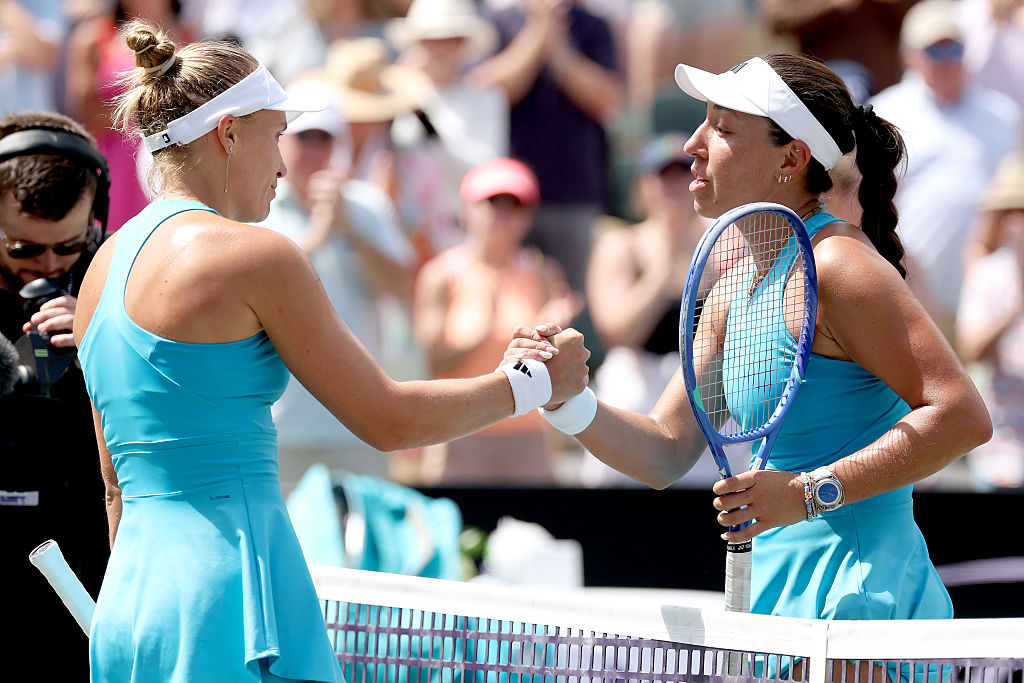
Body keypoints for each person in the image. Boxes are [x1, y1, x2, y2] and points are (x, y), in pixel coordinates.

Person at [72, 21, 588, 682]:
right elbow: (390, 419)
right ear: (228, 133)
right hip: (230, 600)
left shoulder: (100, 267)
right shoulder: (254, 255)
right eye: (276, 134)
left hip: (132, 602)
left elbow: (115, 486)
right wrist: (531, 382)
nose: (284, 164)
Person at [517, 53, 992, 624]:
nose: (693, 144)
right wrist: (569, 402)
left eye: (721, 128)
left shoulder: (839, 266)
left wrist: (811, 493)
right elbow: (665, 451)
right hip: (773, 593)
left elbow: (963, 415)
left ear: (791, 158)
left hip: (861, 594)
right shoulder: (729, 288)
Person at [255, 81, 418, 488]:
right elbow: (261, 287)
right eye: (302, 138)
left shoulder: (367, 205)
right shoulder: (258, 206)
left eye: (323, 139)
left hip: (357, 421)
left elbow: (401, 285)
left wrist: (350, 232)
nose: (312, 151)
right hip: (280, 422)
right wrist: (320, 233)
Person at [0, 109, 110, 681]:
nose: (47, 266)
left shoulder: (123, 278)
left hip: (92, 555)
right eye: (23, 249)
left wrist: (105, 332)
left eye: (68, 245)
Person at [413, 157, 582, 485]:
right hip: (460, 433)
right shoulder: (441, 275)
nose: (502, 215)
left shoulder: (544, 273)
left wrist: (554, 334)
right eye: (492, 203)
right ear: (468, 209)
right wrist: (483, 330)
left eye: (514, 206)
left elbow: (559, 367)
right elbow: (432, 359)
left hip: (528, 437)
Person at [869, 0, 1021, 340]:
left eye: (953, 48)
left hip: (989, 294)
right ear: (909, 55)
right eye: (934, 50)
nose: (947, 60)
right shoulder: (888, 115)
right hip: (913, 290)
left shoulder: (1002, 114)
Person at [386, 0, 509, 258]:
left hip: (459, 238)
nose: (442, 47)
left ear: (464, 44)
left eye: (452, 38)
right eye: (431, 38)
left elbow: (485, 169)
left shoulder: (486, 99)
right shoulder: (397, 97)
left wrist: (427, 123)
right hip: (403, 237)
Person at [956, 154, 1024, 491]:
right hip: (1003, 448)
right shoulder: (988, 274)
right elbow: (971, 350)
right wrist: (1017, 306)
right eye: (1013, 212)